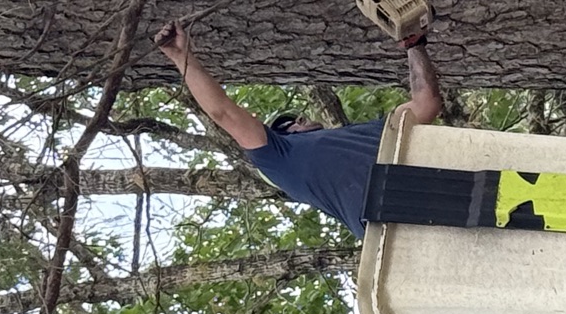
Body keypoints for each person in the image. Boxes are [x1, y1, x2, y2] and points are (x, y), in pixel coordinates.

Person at [154, 20, 441, 239]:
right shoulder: (279, 157)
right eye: (288, 124)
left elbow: (425, 104)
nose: (300, 119)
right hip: (389, 225)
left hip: (433, 188)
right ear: (285, 134)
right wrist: (182, 57)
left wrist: (413, 42)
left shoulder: (366, 133)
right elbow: (224, 113)